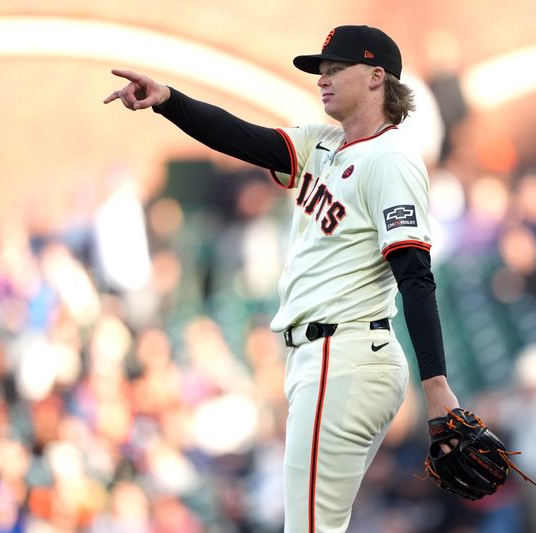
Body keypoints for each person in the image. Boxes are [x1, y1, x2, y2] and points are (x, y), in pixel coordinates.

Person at [104, 24, 461, 533]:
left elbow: (415, 278)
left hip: (345, 356)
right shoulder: (322, 143)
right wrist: (169, 101)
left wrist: (437, 386)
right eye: (322, 70)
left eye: (338, 68)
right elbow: (240, 136)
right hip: (323, 360)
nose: (324, 78)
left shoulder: (392, 160)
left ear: (378, 77)